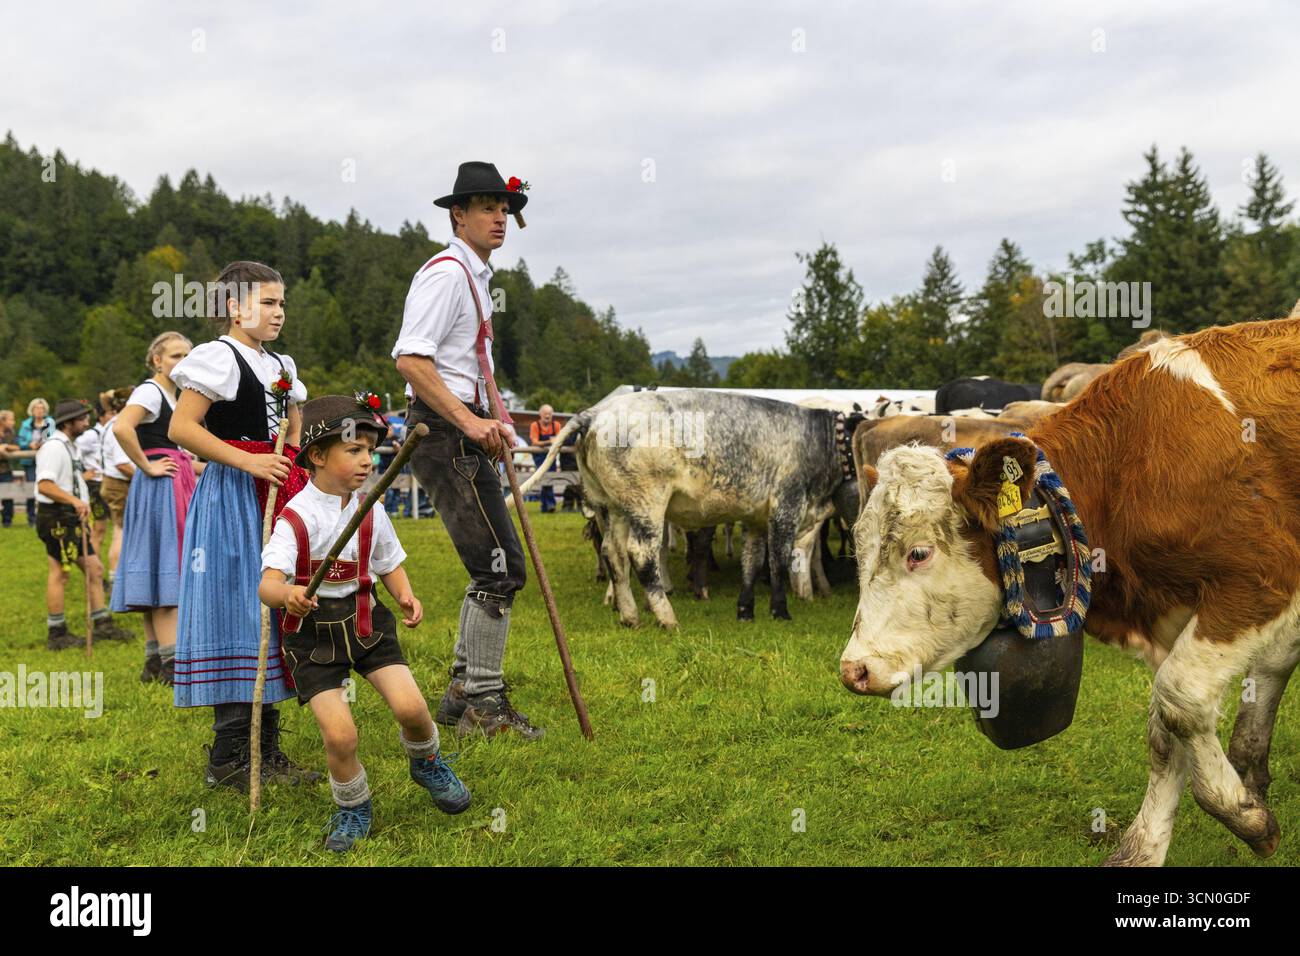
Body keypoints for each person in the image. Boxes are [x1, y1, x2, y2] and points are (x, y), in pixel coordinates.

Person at [260, 393, 470, 852]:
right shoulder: (294, 518)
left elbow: (388, 561)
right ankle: (353, 807)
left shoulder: (369, 508)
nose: (366, 460)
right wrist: (288, 595)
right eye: (353, 450)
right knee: (341, 734)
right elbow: (267, 584)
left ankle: (427, 761)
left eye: (370, 451)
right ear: (317, 455)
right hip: (312, 638)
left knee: (414, 710)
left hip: (365, 624)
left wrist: (404, 594)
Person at [393, 161, 542, 740]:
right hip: (442, 430)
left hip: (466, 426)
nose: (500, 217)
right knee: (499, 565)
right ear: (458, 214)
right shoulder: (446, 274)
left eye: (505, 209)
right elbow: (411, 360)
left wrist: (498, 420)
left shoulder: (475, 277)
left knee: (499, 561)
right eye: (487, 207)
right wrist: (466, 420)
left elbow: (473, 366)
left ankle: (463, 688)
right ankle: (481, 701)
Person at [168, 259, 319, 790]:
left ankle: (266, 748)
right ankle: (231, 756)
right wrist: (248, 460)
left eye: (282, 303)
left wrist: (293, 457)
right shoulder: (218, 357)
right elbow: (181, 427)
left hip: (274, 493)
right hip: (233, 497)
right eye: (267, 303)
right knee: (240, 606)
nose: (278, 313)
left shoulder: (280, 362)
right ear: (236, 307)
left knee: (272, 608)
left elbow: (294, 415)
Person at [111, 333, 201, 686]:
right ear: (157, 361)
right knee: (165, 565)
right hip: (159, 489)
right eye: (176, 355)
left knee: (155, 565)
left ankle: (153, 658)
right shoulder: (150, 391)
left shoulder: (176, 396)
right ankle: (171, 663)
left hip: (169, 484)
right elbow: (122, 427)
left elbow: (177, 455)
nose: (183, 361)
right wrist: (146, 467)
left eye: (188, 355)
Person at [34, 399, 131, 649]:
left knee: (94, 569)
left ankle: (102, 623)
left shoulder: (68, 445)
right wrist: (74, 500)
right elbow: (45, 485)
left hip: (69, 517)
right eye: (82, 419)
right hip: (57, 518)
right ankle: (57, 633)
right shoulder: (54, 447)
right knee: (60, 572)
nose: (87, 422)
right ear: (68, 423)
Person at [98, 388, 135, 581]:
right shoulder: (121, 425)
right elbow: (123, 464)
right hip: (119, 484)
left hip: (113, 483)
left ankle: (118, 577)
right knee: (121, 531)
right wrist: (147, 473)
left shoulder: (113, 422)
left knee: (120, 530)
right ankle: (116, 578)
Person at [75, 396, 113, 559]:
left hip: (107, 482)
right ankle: (94, 568)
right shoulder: (91, 435)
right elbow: (73, 451)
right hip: (94, 484)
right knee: (98, 529)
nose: (114, 416)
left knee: (105, 528)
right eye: (111, 413)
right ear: (102, 415)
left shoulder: (111, 431)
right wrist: (82, 475)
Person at [19, 398, 53, 528]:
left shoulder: (49, 423)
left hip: (47, 459)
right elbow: (20, 442)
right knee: (31, 488)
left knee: (47, 486)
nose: (39, 411)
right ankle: (31, 518)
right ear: (32, 410)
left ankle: (46, 516)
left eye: (42, 408)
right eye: (37, 408)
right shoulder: (26, 424)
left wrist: (42, 444)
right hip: (30, 461)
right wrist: (29, 444)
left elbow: (51, 438)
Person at [529, 404, 563, 513]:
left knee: (550, 477)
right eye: (545, 413)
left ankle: (546, 506)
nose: (547, 416)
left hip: (551, 455)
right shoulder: (535, 425)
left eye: (549, 413)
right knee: (543, 476)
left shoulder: (556, 425)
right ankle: (550, 504)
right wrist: (549, 442)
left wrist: (543, 443)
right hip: (539, 456)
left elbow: (559, 439)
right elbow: (534, 442)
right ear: (540, 414)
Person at [0, 409, 19, 528]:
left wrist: (5, 446)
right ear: (2, 421)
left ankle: (7, 521)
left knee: (8, 495)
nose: (13, 422)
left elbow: (17, 447)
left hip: (5, 469)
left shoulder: (10, 432)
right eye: (11, 419)